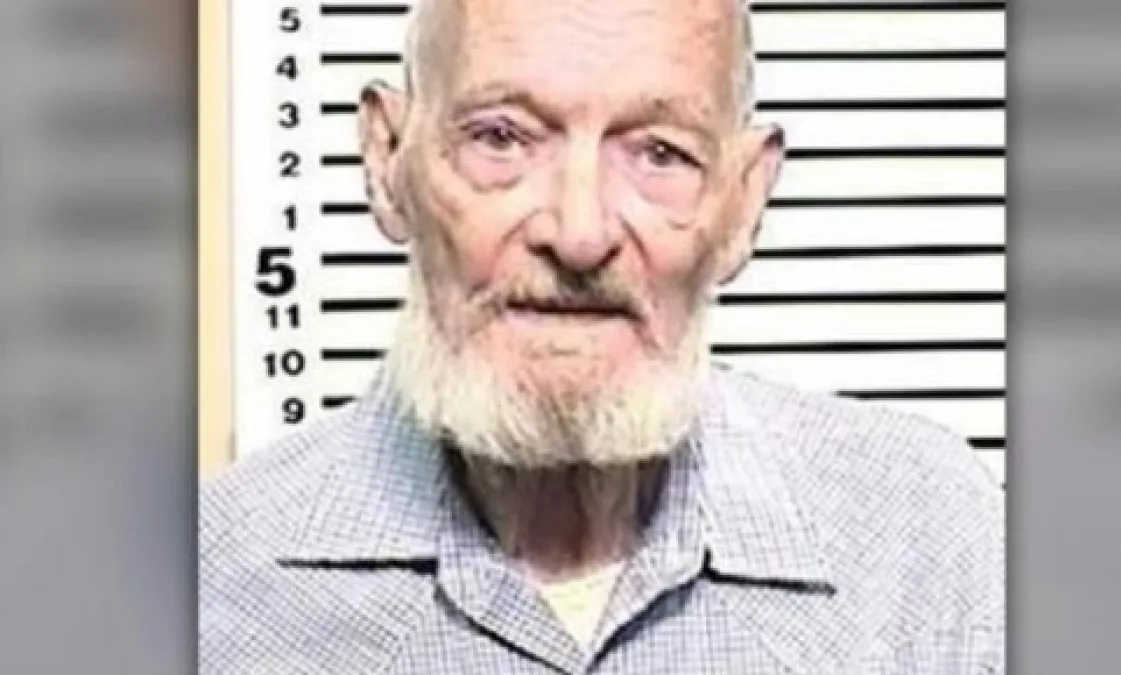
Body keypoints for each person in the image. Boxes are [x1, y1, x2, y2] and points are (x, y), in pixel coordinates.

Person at [200, 0, 1004, 672]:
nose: (580, 234)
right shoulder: (206, 589)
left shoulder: (927, 543)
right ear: (387, 161)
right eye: (502, 137)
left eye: (660, 152)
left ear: (744, 203)